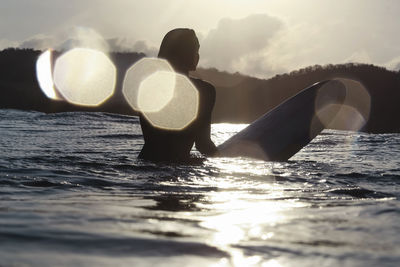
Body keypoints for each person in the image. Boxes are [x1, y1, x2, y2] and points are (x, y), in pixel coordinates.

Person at [138, 28, 219, 162]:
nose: (197, 56)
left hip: (146, 165)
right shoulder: (204, 91)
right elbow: (203, 144)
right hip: (179, 166)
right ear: (182, 53)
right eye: (195, 50)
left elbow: (154, 141)